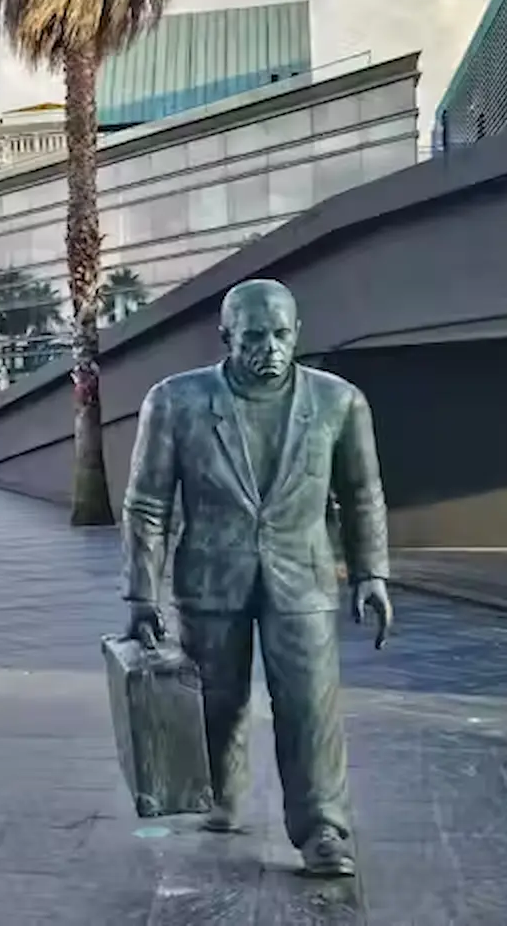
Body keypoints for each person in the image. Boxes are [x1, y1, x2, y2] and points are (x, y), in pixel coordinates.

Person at [121, 278, 392, 879]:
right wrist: (142, 592)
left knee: (309, 707)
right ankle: (221, 788)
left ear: (296, 332)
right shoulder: (176, 401)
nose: (268, 347)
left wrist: (372, 572)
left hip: (304, 578)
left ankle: (323, 826)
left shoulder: (338, 401)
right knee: (218, 700)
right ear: (225, 337)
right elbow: (147, 505)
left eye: (280, 334)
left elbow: (363, 492)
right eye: (253, 336)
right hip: (211, 577)